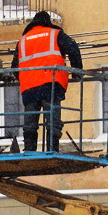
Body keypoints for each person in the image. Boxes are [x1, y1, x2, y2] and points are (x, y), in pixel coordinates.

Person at [11, 11, 82, 152]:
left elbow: (14, 67)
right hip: (50, 84)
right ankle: (52, 148)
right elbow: (73, 48)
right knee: (53, 120)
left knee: (30, 123)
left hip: (29, 88)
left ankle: (29, 149)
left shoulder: (23, 40)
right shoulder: (54, 34)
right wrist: (76, 70)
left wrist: (26, 78)